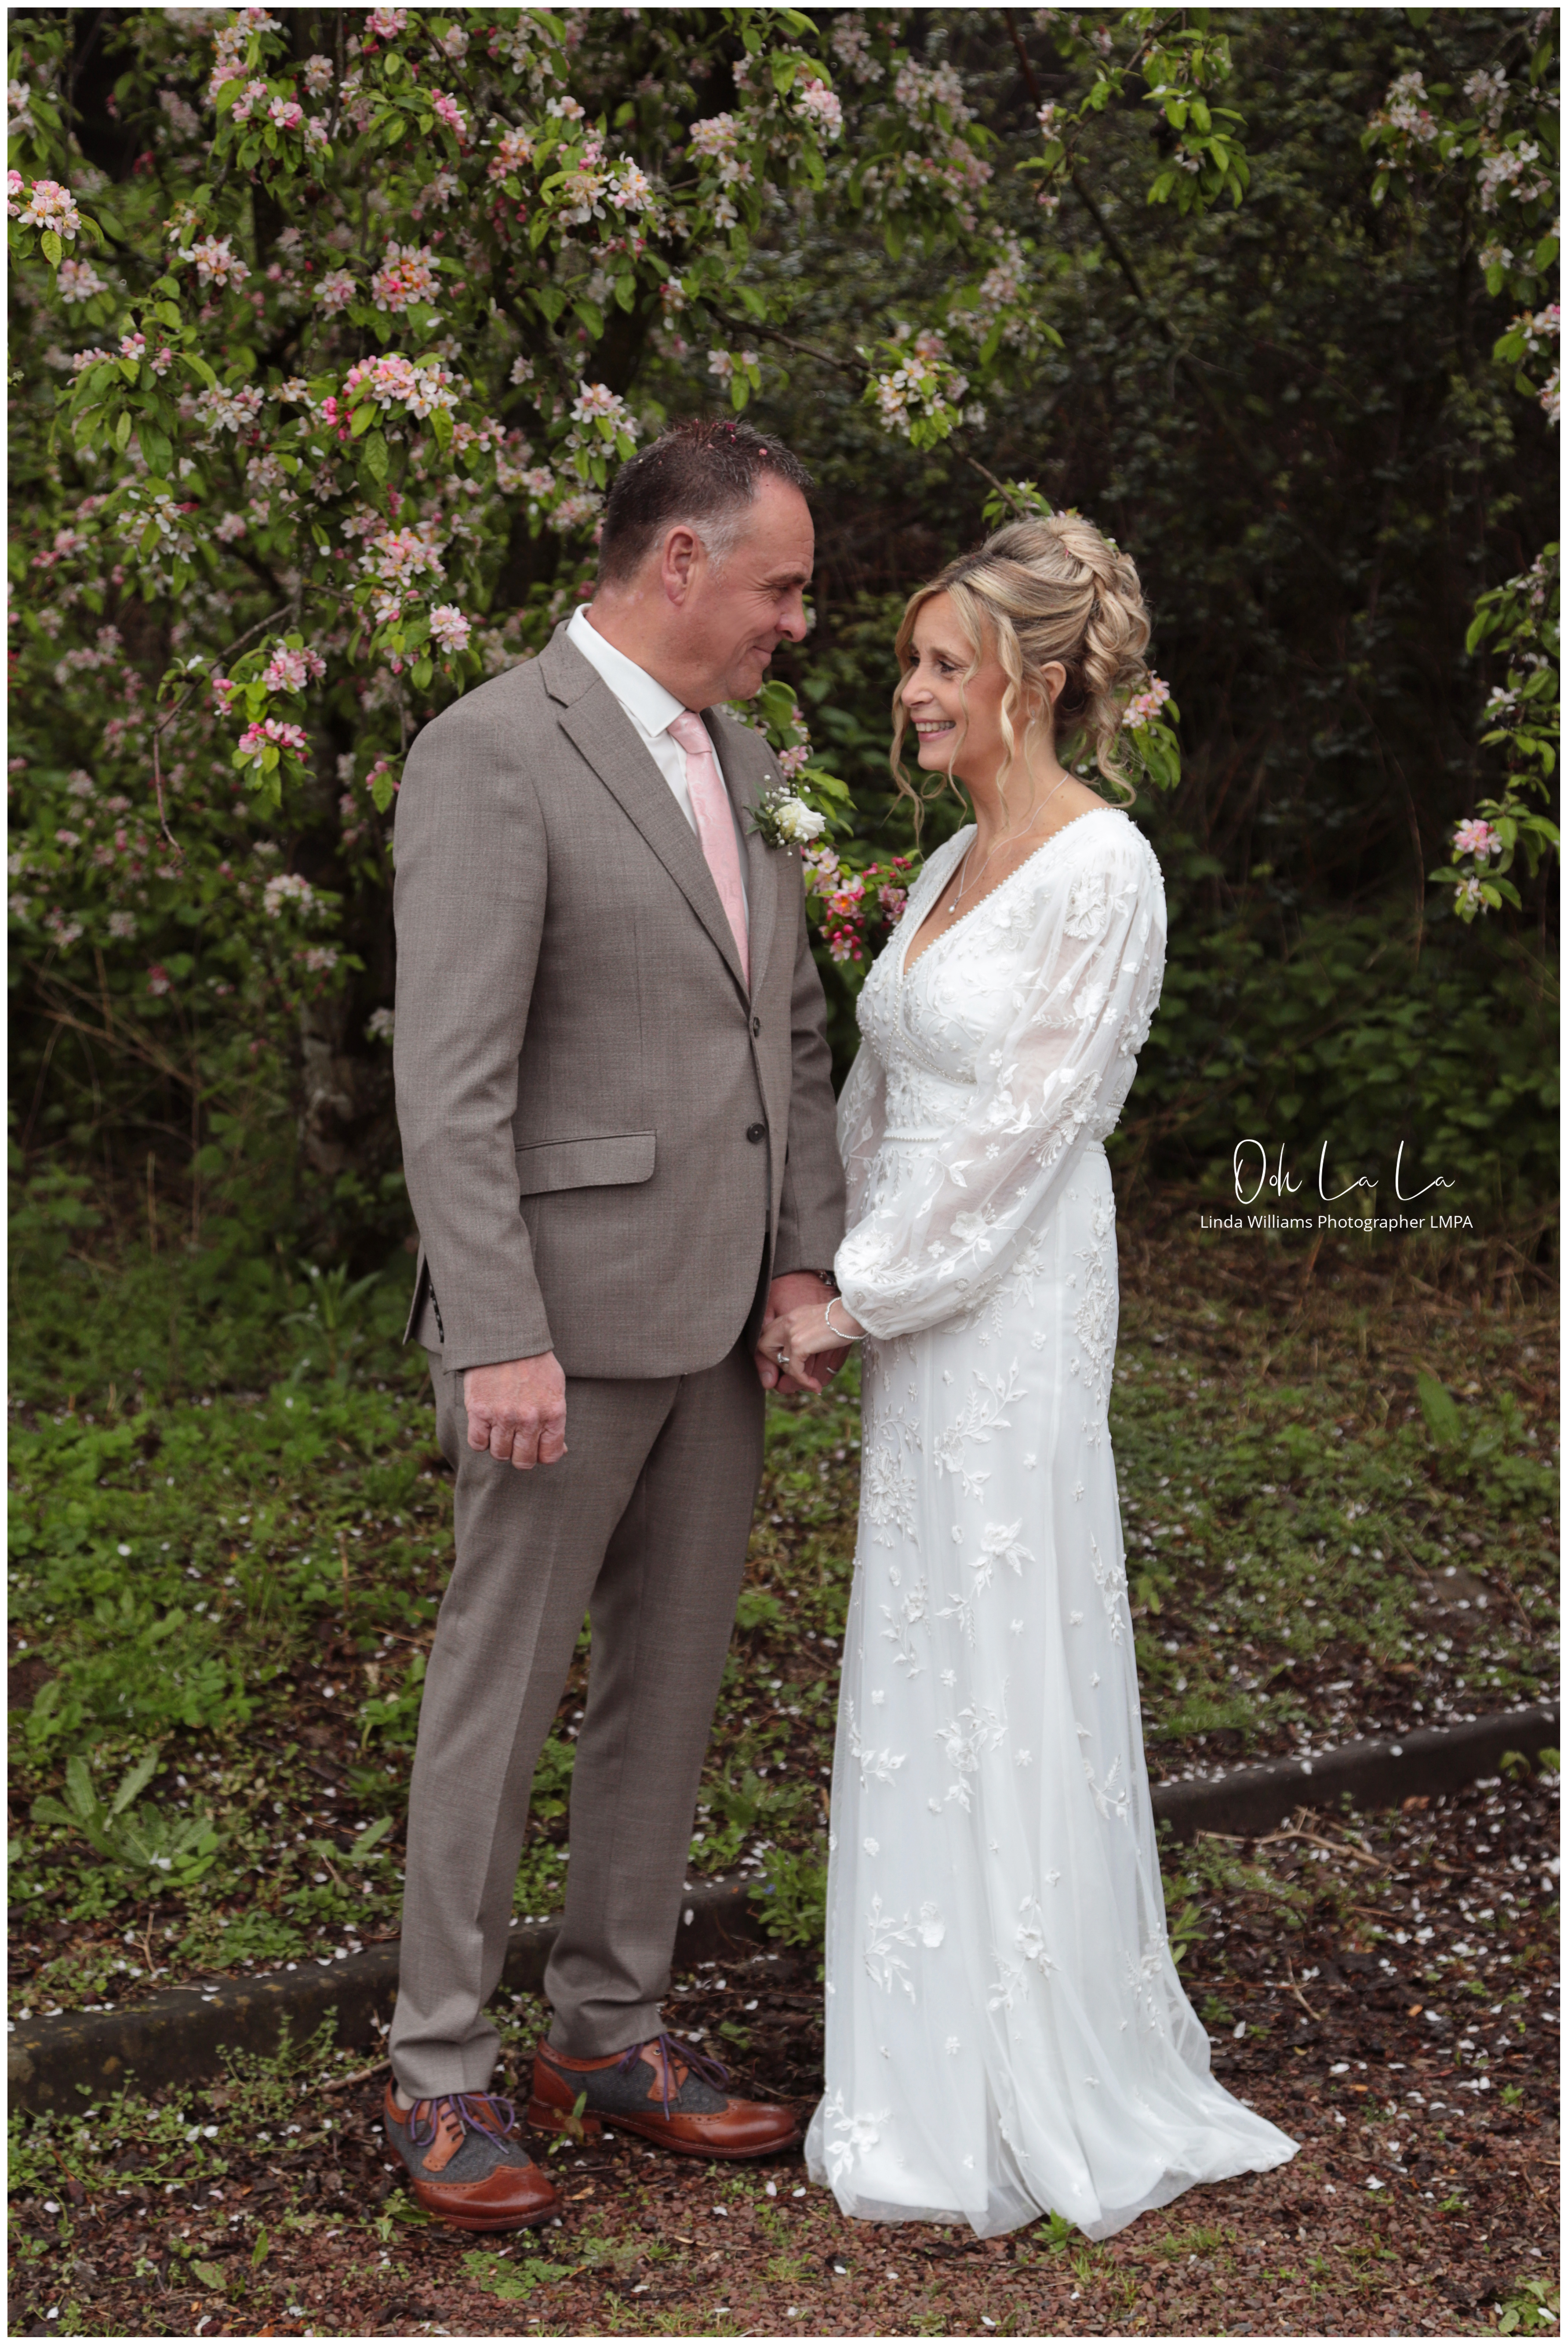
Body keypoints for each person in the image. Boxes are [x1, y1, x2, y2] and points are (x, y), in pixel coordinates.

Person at [761, 515, 1298, 2239]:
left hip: (1002, 1299)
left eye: (938, 665)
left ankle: (1033, 2065)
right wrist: (809, 1269)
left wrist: (864, 1294)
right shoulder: (940, 868)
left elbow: (1020, 1136)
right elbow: (878, 1091)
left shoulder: (1101, 869)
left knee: (1004, 1623)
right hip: (909, 1294)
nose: (907, 692)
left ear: (1035, 679)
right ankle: (922, 2060)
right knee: (921, 1628)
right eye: (911, 662)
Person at [385, 417, 848, 2230]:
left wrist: (802, 1262)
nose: (795, 622)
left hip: (724, 1309)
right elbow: (452, 1078)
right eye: (779, 584)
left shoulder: (740, 759)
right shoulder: (492, 750)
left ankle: (609, 2026)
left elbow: (787, 1036)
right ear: (677, 559)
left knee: (669, 1690)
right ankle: (439, 2064)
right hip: (555, 1330)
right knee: (497, 1692)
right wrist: (498, 1325)